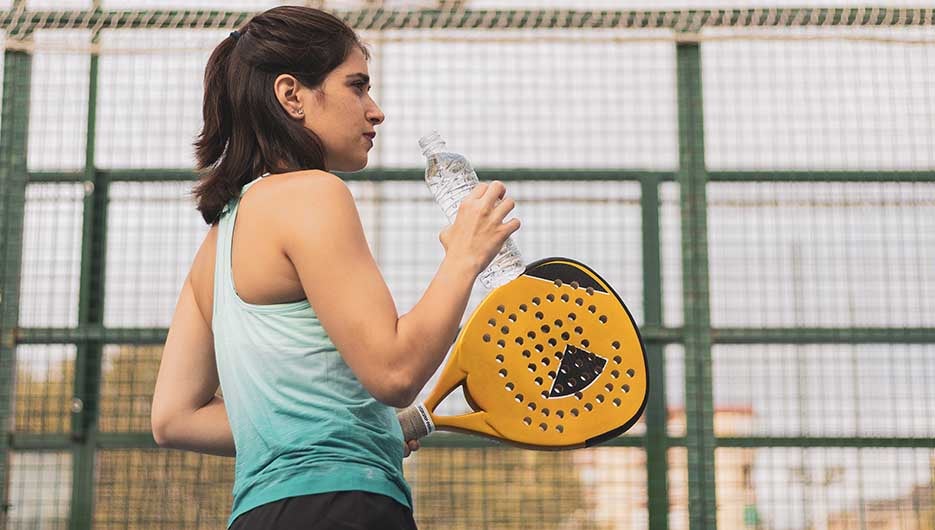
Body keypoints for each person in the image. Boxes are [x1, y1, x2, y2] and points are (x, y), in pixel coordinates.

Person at [150, 6, 521, 530]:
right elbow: (394, 372)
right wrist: (464, 255)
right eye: (357, 86)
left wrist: (343, 425)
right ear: (292, 95)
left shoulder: (216, 243)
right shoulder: (313, 194)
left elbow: (173, 418)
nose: (376, 111)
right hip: (344, 508)